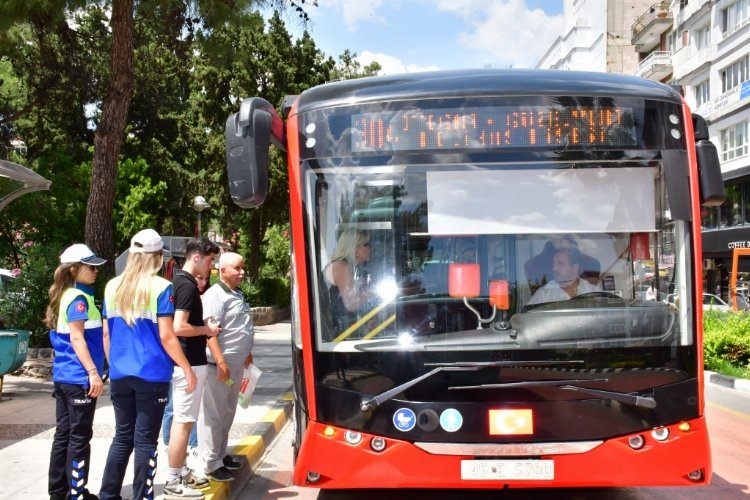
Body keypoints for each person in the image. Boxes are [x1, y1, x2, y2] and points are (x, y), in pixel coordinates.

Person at [98, 229, 197, 500]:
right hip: (151, 375)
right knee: (144, 442)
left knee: (122, 438)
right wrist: (186, 367)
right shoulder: (162, 288)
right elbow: (167, 335)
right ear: (157, 258)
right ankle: (142, 495)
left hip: (120, 374)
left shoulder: (111, 286)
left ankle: (108, 495)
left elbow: (106, 334)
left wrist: (113, 364)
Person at [46, 243, 107, 500]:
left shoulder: (69, 294)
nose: (95, 271)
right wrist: (93, 372)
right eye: (89, 266)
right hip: (78, 377)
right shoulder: (78, 298)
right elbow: (77, 338)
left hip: (64, 376)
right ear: (73, 269)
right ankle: (77, 494)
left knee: (64, 435)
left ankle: (59, 492)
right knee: (79, 438)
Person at [165, 238, 221, 498]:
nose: (212, 266)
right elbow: (178, 327)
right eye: (210, 261)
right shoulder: (187, 286)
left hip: (188, 362)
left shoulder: (182, 283)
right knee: (183, 422)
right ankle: (174, 480)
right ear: (196, 257)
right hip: (189, 363)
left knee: (185, 421)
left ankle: (183, 472)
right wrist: (207, 330)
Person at [198, 252, 254, 482]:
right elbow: (210, 333)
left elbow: (237, 325)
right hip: (220, 366)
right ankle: (211, 463)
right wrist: (221, 362)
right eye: (237, 269)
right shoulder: (214, 296)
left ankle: (220, 455)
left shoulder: (235, 293)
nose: (242, 273)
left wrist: (246, 351)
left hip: (235, 364)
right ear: (223, 271)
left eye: (242, 268)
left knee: (228, 412)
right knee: (214, 415)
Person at [161, 274, 207, 453]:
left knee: (189, 413)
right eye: (198, 278)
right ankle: (169, 445)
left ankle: (191, 445)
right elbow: (176, 329)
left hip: (186, 361)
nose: (201, 282)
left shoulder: (193, 294)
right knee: (175, 410)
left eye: (204, 279)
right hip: (178, 361)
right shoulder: (183, 290)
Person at [322, 229, 370, 338]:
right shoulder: (341, 266)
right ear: (355, 247)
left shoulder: (344, 265)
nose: (370, 248)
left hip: (337, 329)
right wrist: (371, 293)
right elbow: (350, 305)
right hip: (334, 332)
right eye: (366, 244)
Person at [527, 245, 599, 305]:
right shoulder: (544, 294)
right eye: (554, 264)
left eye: (560, 263)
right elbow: (527, 318)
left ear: (575, 268)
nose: (554, 269)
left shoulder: (593, 292)